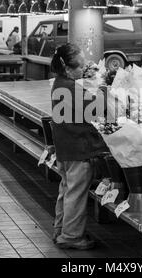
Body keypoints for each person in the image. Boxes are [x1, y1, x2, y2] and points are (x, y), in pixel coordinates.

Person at [50, 44, 109, 250]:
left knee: (66, 190)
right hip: (78, 149)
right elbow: (98, 108)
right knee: (75, 192)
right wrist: (104, 91)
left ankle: (61, 229)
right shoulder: (70, 87)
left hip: (65, 148)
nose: (83, 70)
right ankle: (72, 236)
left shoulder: (60, 83)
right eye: (80, 67)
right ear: (68, 68)